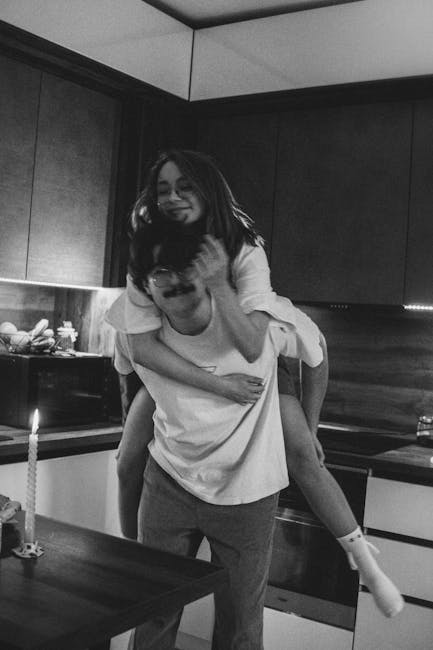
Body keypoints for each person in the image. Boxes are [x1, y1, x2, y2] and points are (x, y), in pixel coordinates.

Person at [107, 149, 404, 624]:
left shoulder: (242, 252)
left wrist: (311, 425)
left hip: (255, 356)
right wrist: (203, 389)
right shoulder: (149, 260)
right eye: (163, 190)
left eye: (185, 187)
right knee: (127, 458)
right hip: (180, 373)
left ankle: (362, 556)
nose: (173, 198)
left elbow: (298, 351)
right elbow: (134, 358)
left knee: (303, 455)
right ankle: (134, 557)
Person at [114, 224, 329, 649]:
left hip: (246, 490)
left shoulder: (254, 322)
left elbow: (317, 353)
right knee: (154, 612)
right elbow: (125, 373)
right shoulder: (136, 330)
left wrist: (310, 426)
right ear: (146, 288)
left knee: (240, 627)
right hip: (170, 482)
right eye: (161, 275)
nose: (175, 285)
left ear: (207, 277)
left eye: (185, 273)